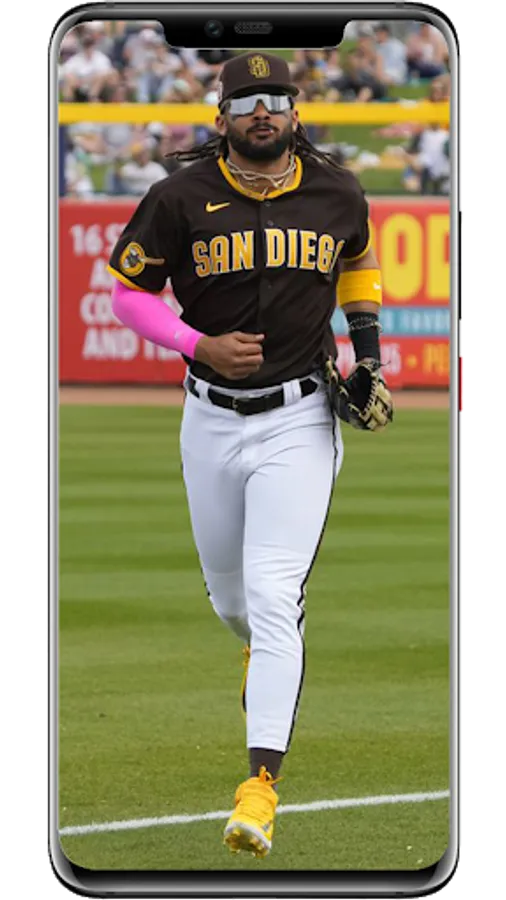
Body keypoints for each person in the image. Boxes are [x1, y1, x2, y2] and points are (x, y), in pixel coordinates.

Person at [108, 51, 388, 859]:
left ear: (296, 112)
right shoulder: (178, 196)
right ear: (221, 116)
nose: (260, 112)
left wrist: (367, 354)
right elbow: (127, 294)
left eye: (274, 98)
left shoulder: (337, 192)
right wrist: (196, 343)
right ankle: (266, 646)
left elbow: (358, 261)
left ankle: (259, 787)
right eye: (245, 100)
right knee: (234, 601)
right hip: (208, 417)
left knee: (270, 593)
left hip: (299, 417)